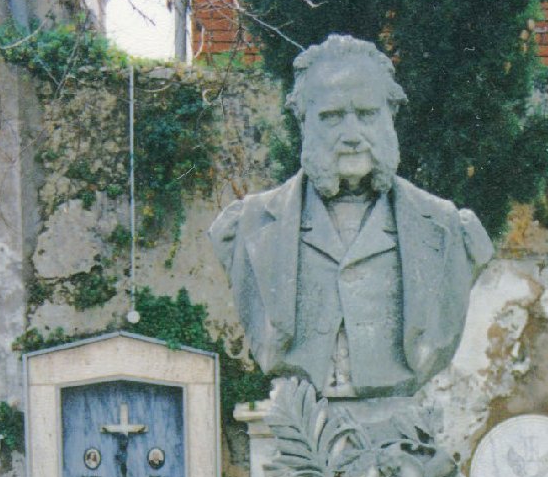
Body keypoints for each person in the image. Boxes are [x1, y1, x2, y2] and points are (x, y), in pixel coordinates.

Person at [209, 34, 492, 399]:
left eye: (367, 114)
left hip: (397, 427)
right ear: (303, 122)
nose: (352, 135)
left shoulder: (447, 228)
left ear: (390, 117)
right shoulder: (249, 225)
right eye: (331, 117)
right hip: (303, 423)